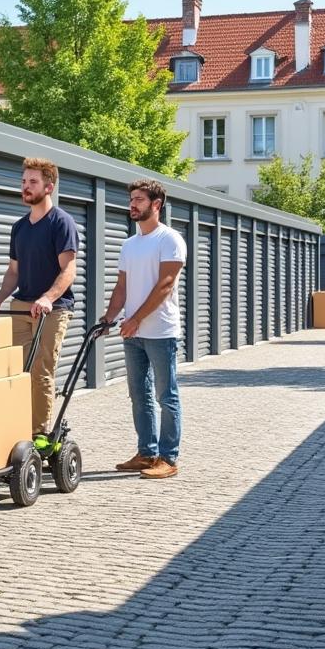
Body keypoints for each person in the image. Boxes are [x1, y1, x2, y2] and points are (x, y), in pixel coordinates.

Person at [0, 157, 79, 451]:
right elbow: (14, 271)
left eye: (33, 182)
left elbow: (69, 270)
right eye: (24, 181)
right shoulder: (19, 227)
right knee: (16, 371)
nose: (25, 187)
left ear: (49, 187)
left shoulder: (61, 223)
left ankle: (40, 434)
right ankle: (16, 428)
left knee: (40, 370)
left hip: (53, 309)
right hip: (21, 306)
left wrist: (48, 298)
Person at [101, 179, 186, 479]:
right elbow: (122, 287)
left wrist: (135, 318)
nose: (132, 205)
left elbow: (165, 285)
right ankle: (147, 452)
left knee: (166, 396)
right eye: (131, 200)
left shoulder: (170, 240)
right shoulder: (129, 244)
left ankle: (168, 457)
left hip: (161, 332)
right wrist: (109, 318)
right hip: (133, 335)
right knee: (139, 395)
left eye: (138, 199)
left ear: (156, 204)